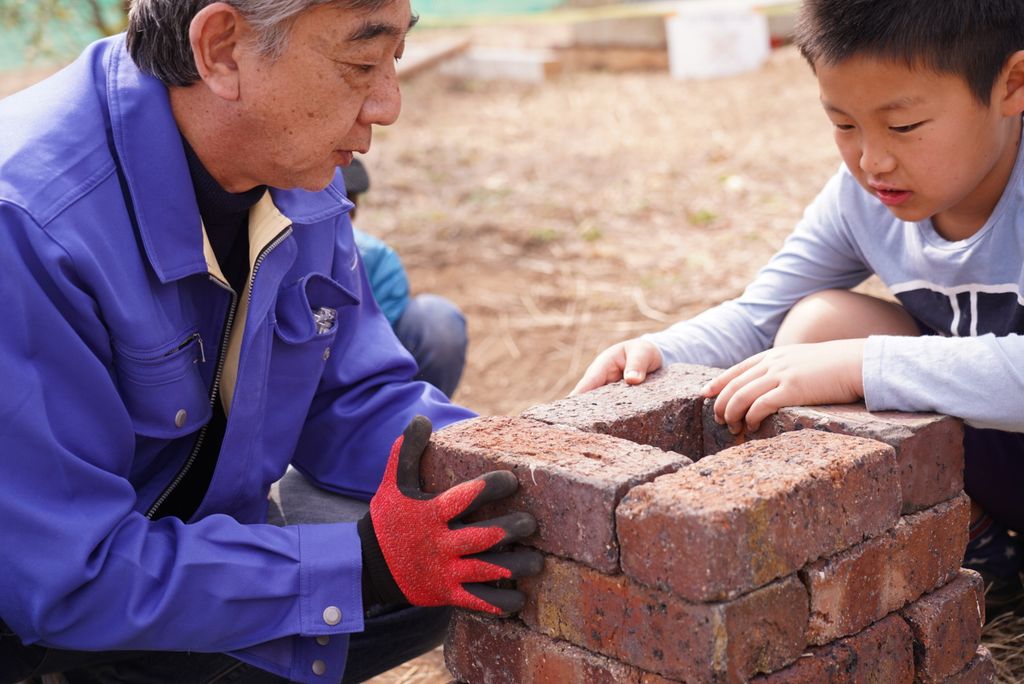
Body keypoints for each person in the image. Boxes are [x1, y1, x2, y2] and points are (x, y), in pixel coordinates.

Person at [0, 1, 542, 683]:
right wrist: (361, 568)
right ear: (223, 50)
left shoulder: (293, 173)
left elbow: (357, 392)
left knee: (452, 571)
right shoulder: (28, 226)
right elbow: (65, 575)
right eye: (360, 63)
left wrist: (516, 470)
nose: (388, 104)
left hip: (185, 548)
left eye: (395, 60)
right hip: (43, 620)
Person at [574, 0, 1024, 619]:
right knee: (816, 330)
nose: (872, 160)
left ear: (1012, 84)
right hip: (1000, 455)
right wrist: (663, 351)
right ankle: (979, 552)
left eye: (904, 125)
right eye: (844, 124)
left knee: (836, 354)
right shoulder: (863, 200)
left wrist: (862, 365)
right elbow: (762, 314)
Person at [342, 158, 468, 397]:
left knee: (437, 320)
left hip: (358, 382)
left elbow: (377, 349)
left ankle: (422, 418)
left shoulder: (375, 260)